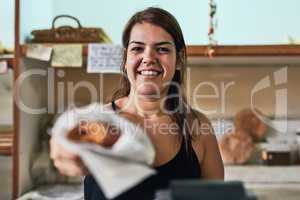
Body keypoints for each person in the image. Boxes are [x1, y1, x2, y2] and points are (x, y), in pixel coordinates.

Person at [50, 7, 224, 200]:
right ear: (125, 59)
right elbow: (64, 138)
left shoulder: (199, 128)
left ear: (180, 60)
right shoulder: (99, 120)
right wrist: (64, 145)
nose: (148, 58)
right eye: (137, 48)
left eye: (162, 49)